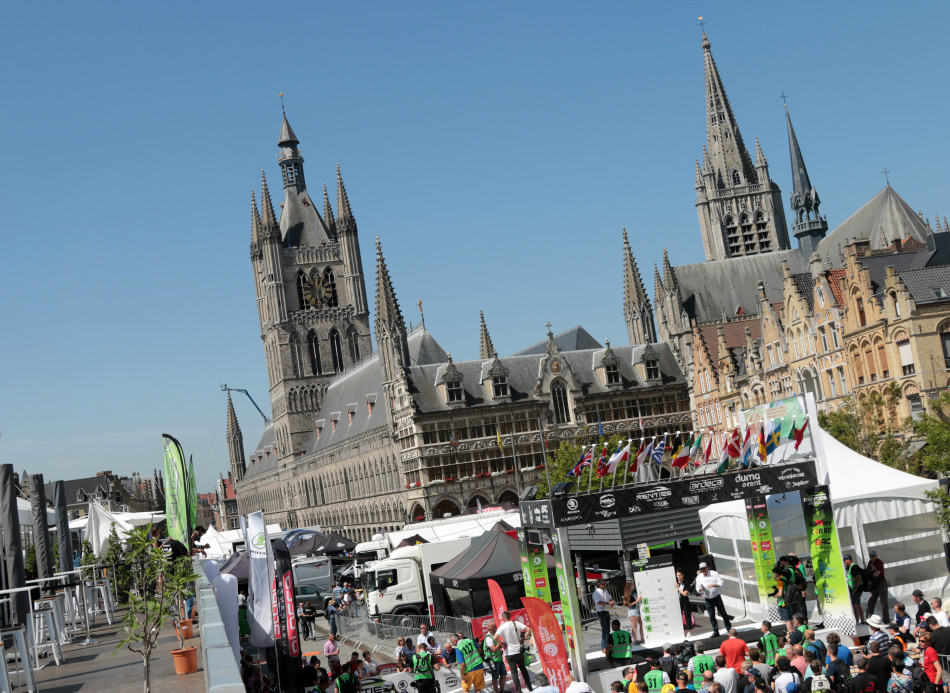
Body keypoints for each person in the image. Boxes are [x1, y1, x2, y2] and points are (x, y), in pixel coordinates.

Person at [496, 611, 533, 693]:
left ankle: (519, 690)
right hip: (518, 650)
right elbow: (528, 629)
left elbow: (495, 637)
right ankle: (529, 686)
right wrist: (523, 639)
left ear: (503, 618)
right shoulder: (516, 623)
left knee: (514, 673)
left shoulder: (502, 627)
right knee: (523, 669)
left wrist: (502, 644)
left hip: (509, 653)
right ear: (510, 617)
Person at [695, 562, 731, 637]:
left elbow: (721, 582)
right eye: (702, 569)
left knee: (723, 613)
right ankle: (716, 631)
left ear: (707, 567)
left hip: (716, 596)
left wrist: (713, 585)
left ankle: (729, 629)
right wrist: (701, 590)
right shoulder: (699, 577)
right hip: (708, 598)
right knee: (711, 616)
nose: (703, 570)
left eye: (704, 568)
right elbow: (697, 588)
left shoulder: (714, 573)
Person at [482, 620, 507, 693]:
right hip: (492, 660)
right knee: (495, 677)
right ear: (492, 628)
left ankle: (502, 690)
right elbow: (494, 650)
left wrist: (503, 644)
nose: (496, 628)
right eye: (495, 627)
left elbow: (501, 645)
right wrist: (499, 642)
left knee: (504, 674)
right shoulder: (488, 638)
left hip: (499, 659)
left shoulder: (494, 636)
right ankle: (497, 691)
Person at [865, 551, 888, 621]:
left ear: (876, 556)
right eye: (870, 556)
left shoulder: (879, 563)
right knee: (870, 603)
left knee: (884, 603)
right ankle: (869, 619)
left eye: (873, 556)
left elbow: (877, 574)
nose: (871, 557)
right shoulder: (870, 562)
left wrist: (871, 572)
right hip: (874, 584)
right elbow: (868, 572)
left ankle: (886, 620)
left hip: (881, 583)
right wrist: (872, 571)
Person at [595, 580, 617, 650]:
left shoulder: (605, 591)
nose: (605, 585)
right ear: (599, 585)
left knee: (607, 630)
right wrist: (608, 603)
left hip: (606, 611)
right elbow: (598, 602)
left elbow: (610, 597)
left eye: (605, 583)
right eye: (603, 584)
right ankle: (604, 646)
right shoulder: (596, 592)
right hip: (601, 612)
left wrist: (611, 601)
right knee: (605, 630)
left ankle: (608, 645)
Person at [844, 555, 866, 625]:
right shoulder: (850, 568)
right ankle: (861, 620)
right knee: (857, 604)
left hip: (856, 589)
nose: (844, 562)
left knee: (855, 605)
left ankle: (858, 621)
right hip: (855, 589)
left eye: (844, 560)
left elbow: (858, 577)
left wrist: (855, 589)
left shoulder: (854, 567)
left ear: (848, 560)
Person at [675, 570, 695, 636]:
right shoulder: (676, 582)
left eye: (680, 575)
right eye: (677, 575)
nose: (679, 577)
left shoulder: (686, 582)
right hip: (677, 600)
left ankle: (689, 630)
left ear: (683, 575)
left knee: (687, 614)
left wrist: (678, 588)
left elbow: (685, 594)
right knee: (678, 614)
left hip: (684, 600)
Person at [626, 580, 646, 644]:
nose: (633, 585)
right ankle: (635, 640)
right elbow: (629, 604)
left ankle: (642, 638)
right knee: (634, 626)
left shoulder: (634, 591)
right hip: (632, 610)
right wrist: (637, 601)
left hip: (638, 609)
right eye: (632, 584)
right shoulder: (627, 593)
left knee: (641, 624)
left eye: (633, 584)